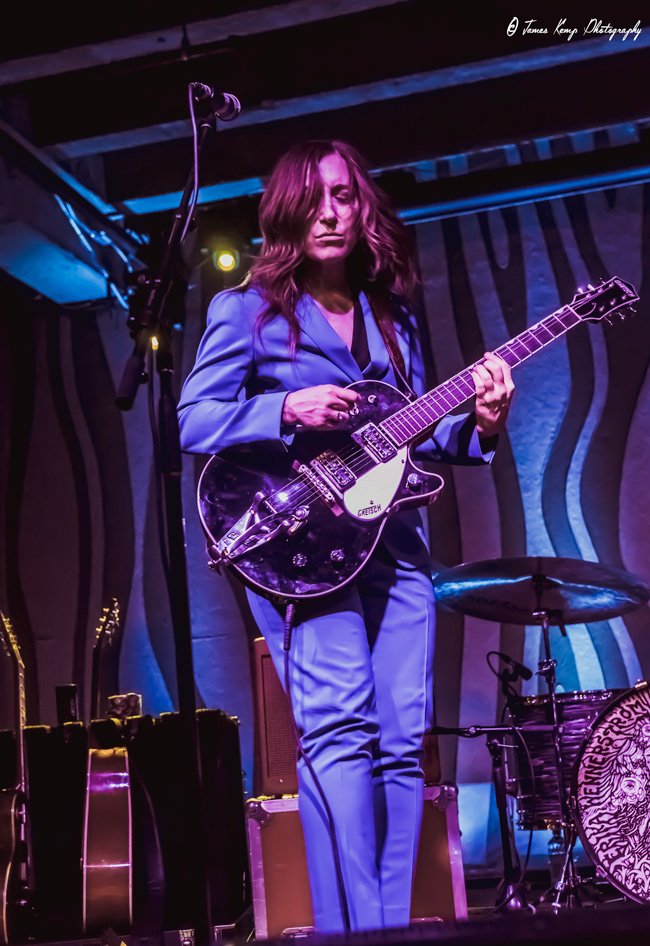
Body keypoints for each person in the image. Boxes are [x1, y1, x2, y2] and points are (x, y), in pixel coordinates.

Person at [177, 139, 514, 932]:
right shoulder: (246, 311)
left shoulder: (391, 320)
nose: (332, 212)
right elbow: (193, 418)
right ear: (288, 211)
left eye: (346, 196)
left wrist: (484, 423)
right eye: (315, 198)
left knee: (401, 741)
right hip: (299, 551)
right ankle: (351, 928)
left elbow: (414, 437)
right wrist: (285, 409)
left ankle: (389, 924)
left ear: (364, 209)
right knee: (339, 735)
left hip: (392, 548)